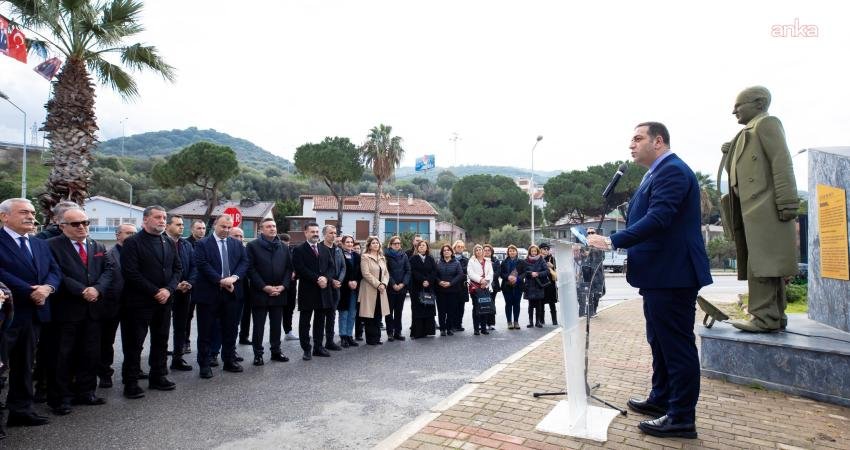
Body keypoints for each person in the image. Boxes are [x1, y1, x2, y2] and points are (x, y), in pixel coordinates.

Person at [588, 121, 711, 439]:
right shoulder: (654, 173)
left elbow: (659, 218)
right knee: (659, 340)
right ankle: (661, 398)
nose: (631, 144)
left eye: (638, 138)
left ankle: (681, 418)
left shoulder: (672, 170)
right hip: (659, 273)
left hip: (673, 273)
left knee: (676, 346)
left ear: (658, 141)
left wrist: (612, 241)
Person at [720, 86, 799, 333]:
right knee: (766, 263)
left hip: (765, 208)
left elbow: (782, 162)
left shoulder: (766, 124)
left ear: (759, 103)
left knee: (763, 264)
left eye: (739, 105)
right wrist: (730, 152)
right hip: (752, 210)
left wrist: (788, 202)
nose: (734, 111)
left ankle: (764, 318)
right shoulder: (747, 133)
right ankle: (775, 315)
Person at [45, 206, 115, 415]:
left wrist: (97, 289)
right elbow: (56, 273)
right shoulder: (51, 246)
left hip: (93, 310)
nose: (82, 227)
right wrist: (82, 290)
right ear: (62, 226)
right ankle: (60, 398)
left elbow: (109, 270)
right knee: (62, 355)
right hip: (66, 310)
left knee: (90, 353)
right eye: (76, 224)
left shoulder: (97, 245)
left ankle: (86, 392)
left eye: (85, 223)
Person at [0, 198, 61, 426]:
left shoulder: (39, 244)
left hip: (34, 313)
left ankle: (21, 410)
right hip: (7, 314)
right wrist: (30, 291)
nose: (30, 216)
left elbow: (54, 270)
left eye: (33, 213)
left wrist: (48, 288)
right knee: (1, 366)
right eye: (24, 212)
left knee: (25, 364)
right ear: (4, 216)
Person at [119, 205, 182, 399]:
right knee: (134, 343)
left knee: (161, 340)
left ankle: (158, 376)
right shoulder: (133, 242)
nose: (162, 220)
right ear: (145, 219)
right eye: (157, 217)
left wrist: (169, 289)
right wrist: (155, 291)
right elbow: (131, 273)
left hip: (164, 301)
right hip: (138, 302)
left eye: (164, 217)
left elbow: (177, 269)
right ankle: (131, 382)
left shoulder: (168, 241)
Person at [193, 215, 248, 378]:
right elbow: (202, 264)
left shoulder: (236, 244)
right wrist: (220, 280)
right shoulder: (202, 244)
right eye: (223, 226)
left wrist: (234, 278)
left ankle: (229, 360)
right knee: (206, 331)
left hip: (232, 293)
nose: (226, 230)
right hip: (209, 294)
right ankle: (204, 364)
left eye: (229, 227)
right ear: (215, 225)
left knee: (231, 329)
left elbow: (244, 262)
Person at [246, 218, 293, 365]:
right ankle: (258, 354)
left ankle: (276, 351)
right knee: (259, 326)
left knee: (276, 325)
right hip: (260, 292)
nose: (272, 229)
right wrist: (264, 287)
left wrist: (283, 286)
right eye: (268, 226)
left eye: (274, 226)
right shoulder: (252, 246)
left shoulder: (283, 247)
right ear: (261, 229)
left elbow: (289, 269)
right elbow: (250, 269)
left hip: (279, 292)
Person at [292, 222, 336, 360]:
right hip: (308, 291)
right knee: (305, 322)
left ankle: (318, 347)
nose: (315, 234)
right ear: (306, 233)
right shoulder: (299, 249)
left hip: (323, 291)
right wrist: (318, 279)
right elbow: (300, 269)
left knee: (320, 321)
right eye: (312, 232)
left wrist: (326, 278)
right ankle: (306, 349)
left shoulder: (324, 249)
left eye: (317, 232)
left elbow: (331, 267)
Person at [99, 223, 135, 388]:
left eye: (134, 233)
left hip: (132, 304)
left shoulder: (138, 254)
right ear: (118, 235)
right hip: (111, 305)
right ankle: (105, 373)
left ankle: (133, 370)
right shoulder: (108, 254)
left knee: (133, 341)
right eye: (128, 233)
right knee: (106, 341)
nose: (131, 236)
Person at [164, 214, 194, 372]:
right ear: (167, 226)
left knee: (181, 326)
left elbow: (194, 266)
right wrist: (173, 286)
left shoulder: (186, 244)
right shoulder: (160, 242)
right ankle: (160, 360)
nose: (182, 227)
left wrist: (189, 283)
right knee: (161, 327)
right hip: (165, 292)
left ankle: (177, 358)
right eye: (178, 224)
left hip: (184, 291)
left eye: (182, 224)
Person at [358, 237, 390, 345]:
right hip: (369, 289)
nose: (376, 244)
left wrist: (384, 284)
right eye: (373, 243)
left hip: (381, 290)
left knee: (378, 314)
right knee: (369, 315)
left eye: (377, 243)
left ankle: (377, 337)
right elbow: (365, 273)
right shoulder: (365, 257)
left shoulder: (382, 258)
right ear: (369, 245)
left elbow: (386, 273)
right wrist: (378, 284)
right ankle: (371, 339)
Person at [320, 225, 345, 350]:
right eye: (331, 233)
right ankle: (318, 344)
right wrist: (331, 280)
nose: (333, 235)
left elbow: (343, 267)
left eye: (335, 233)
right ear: (324, 234)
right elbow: (319, 269)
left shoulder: (338, 250)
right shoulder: (319, 248)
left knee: (332, 315)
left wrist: (339, 280)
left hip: (336, 287)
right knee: (320, 316)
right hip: (323, 286)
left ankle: (330, 341)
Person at [184, 219, 206, 354]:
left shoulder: (208, 243)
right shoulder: (186, 243)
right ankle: (185, 341)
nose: (202, 231)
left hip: (205, 285)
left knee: (205, 316)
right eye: (199, 228)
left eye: (203, 228)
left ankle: (205, 343)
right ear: (192, 229)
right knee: (187, 315)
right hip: (190, 284)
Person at [408, 240, 438, 339]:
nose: (421, 247)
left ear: (427, 247)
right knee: (418, 309)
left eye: (423, 245)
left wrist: (428, 281)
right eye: (420, 245)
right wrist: (423, 280)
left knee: (428, 308)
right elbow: (413, 271)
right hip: (417, 288)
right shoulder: (413, 258)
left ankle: (428, 330)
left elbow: (434, 271)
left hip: (429, 288)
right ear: (417, 248)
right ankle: (418, 332)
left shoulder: (430, 258)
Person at [383, 236, 410, 341]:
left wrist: (403, 284)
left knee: (399, 312)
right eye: (395, 243)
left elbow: (408, 270)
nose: (397, 245)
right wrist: (393, 284)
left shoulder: (404, 255)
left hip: (402, 288)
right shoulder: (386, 255)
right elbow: (386, 272)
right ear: (391, 245)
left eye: (399, 243)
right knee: (389, 312)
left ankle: (398, 332)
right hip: (390, 288)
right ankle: (390, 333)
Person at [435, 244, 464, 336]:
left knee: (451, 310)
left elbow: (460, 275)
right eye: (444, 250)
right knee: (441, 311)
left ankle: (449, 328)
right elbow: (434, 274)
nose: (446, 251)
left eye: (448, 250)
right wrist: (439, 282)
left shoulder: (457, 263)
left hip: (453, 290)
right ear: (442, 253)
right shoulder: (438, 262)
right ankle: (442, 329)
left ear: (451, 252)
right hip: (440, 291)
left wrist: (450, 283)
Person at [337, 235, 361, 348]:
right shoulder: (338, 254)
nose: (350, 244)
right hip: (343, 288)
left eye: (351, 242)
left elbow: (360, 272)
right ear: (342, 243)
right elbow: (338, 271)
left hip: (355, 288)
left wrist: (356, 281)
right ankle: (343, 336)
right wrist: (347, 282)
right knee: (344, 313)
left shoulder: (357, 256)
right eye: (347, 242)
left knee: (352, 313)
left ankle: (349, 335)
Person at [467, 244, 493, 336]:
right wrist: (481, 280)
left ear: (482, 251)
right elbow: (470, 273)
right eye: (476, 250)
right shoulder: (471, 261)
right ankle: (476, 329)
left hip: (485, 287)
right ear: (474, 252)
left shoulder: (488, 261)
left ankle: (483, 329)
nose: (478, 251)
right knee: (476, 308)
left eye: (480, 249)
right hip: (475, 288)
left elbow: (491, 273)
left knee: (485, 307)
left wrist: (486, 281)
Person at [279, 233, 299, 342]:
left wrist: (295, 272)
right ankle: (276, 333)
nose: (286, 245)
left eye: (287, 244)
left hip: (291, 285)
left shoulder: (293, 251)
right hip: (280, 284)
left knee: (290, 309)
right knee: (278, 310)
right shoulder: (277, 250)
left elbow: (298, 265)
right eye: (284, 243)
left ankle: (288, 332)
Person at [582, 228, 606, 318]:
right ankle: (588, 310)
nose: (590, 234)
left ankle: (594, 310)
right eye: (589, 233)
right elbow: (580, 259)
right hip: (586, 273)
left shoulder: (599, 246)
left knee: (597, 293)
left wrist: (593, 251)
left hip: (597, 273)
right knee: (587, 293)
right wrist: (584, 254)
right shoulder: (584, 245)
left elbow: (602, 257)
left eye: (592, 232)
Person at [523, 244, 548, 328]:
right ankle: (530, 322)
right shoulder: (526, 260)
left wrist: (538, 274)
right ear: (529, 252)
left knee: (538, 305)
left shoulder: (541, 260)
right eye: (532, 251)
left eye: (535, 251)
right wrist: (531, 273)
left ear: (537, 252)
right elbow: (523, 272)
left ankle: (538, 322)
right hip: (529, 285)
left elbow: (546, 271)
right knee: (530, 305)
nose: (533, 253)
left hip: (538, 285)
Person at [500, 245, 524, 330]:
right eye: (510, 251)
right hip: (506, 286)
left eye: (513, 251)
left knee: (517, 304)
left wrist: (517, 278)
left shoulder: (521, 262)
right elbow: (501, 273)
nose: (512, 252)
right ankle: (509, 322)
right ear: (508, 252)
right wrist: (508, 277)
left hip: (518, 285)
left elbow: (524, 273)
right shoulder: (504, 262)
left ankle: (516, 322)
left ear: (516, 252)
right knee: (508, 304)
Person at [452, 240, 470, 332]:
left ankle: (459, 324)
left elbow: (466, 271)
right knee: (452, 306)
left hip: (462, 286)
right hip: (452, 285)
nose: (460, 248)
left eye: (462, 247)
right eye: (458, 246)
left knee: (461, 306)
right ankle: (452, 324)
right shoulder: (450, 258)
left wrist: (457, 271)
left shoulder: (466, 260)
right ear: (454, 248)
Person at [539, 242, 558, 326]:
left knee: (552, 302)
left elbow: (556, 269)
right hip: (541, 282)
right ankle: (541, 320)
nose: (546, 250)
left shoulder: (552, 258)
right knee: (541, 302)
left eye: (547, 249)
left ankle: (554, 320)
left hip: (551, 283)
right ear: (540, 250)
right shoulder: (538, 258)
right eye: (544, 249)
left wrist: (552, 266)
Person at [482, 245, 500, 330]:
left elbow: (497, 273)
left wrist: (488, 279)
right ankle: (482, 323)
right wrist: (483, 280)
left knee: (491, 303)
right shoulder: (479, 260)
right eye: (485, 250)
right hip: (481, 284)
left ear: (491, 251)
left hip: (493, 285)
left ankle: (491, 323)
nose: (487, 251)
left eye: (488, 250)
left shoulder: (496, 261)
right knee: (482, 303)